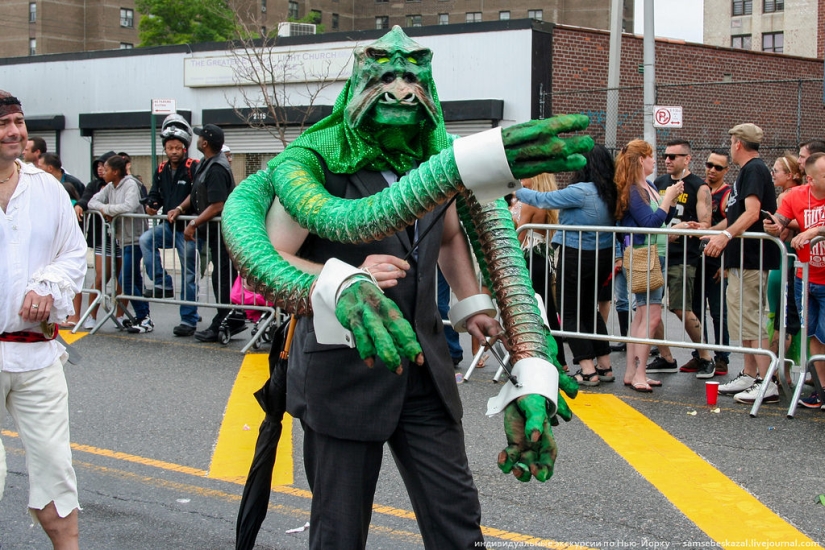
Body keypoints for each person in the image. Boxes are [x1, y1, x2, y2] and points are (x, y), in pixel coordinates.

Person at [0, 89, 87, 550]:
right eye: (3, 125)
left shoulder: (46, 188)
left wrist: (47, 286)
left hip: (37, 355)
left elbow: (75, 254)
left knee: (56, 471)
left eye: (17, 121)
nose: (14, 132)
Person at [515, 144, 618, 386]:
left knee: (569, 311)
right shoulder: (610, 190)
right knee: (588, 310)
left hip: (577, 253)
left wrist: (513, 189)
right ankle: (605, 366)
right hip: (602, 254)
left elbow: (543, 199)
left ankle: (587, 369)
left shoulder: (580, 191)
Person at [702, 123, 781, 404]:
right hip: (742, 257)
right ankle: (749, 374)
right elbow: (737, 216)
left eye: (732, 139)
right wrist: (710, 232)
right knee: (742, 320)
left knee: (750, 318)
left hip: (752, 257)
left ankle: (765, 380)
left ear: (737, 143)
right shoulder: (748, 171)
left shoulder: (754, 169)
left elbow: (752, 213)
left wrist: (724, 236)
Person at [645, 140, 715, 379]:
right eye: (665, 156)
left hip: (683, 256)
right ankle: (665, 357)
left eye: (674, 156)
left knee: (680, 307)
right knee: (650, 307)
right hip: (658, 254)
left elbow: (706, 224)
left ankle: (705, 356)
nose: (667, 160)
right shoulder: (658, 184)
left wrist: (681, 231)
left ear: (687, 159)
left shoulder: (699, 186)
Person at [617, 139, 683, 392]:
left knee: (643, 315)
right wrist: (668, 199)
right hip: (645, 255)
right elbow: (650, 223)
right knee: (651, 316)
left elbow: (661, 221)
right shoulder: (634, 189)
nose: (655, 160)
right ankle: (639, 373)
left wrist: (675, 215)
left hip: (656, 253)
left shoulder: (649, 186)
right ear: (640, 160)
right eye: (651, 156)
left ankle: (633, 371)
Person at [171, 123, 242, 343]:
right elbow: (195, 195)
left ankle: (228, 318)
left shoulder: (218, 168)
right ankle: (228, 317)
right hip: (211, 234)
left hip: (222, 233)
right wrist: (180, 208)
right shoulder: (206, 163)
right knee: (218, 279)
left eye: (200, 136)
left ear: (205, 143)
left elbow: (217, 204)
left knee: (223, 279)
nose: (198, 138)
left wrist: (193, 223)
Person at [767, 152, 825, 409]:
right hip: (805, 278)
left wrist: (814, 230)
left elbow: (815, 228)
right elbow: (779, 220)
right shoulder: (796, 195)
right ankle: (822, 391)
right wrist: (774, 227)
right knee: (812, 335)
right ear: (811, 179)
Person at [139, 114, 201, 336]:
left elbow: (197, 196)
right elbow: (155, 194)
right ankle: (163, 283)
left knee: (189, 274)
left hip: (188, 229)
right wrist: (151, 205)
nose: (173, 151)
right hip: (167, 226)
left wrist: (183, 212)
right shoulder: (160, 169)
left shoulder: (194, 166)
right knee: (146, 239)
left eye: (177, 148)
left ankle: (189, 319)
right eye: (170, 147)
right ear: (165, 148)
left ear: (185, 148)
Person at [87, 155, 152, 332]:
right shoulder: (110, 186)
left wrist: (108, 210)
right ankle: (144, 316)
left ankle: (143, 317)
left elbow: (129, 206)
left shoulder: (130, 184)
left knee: (126, 279)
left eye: (106, 169)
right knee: (135, 279)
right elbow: (93, 201)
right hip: (122, 240)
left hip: (136, 239)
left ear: (115, 172)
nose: (103, 172)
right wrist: (106, 209)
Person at [511, 172, 568, 372]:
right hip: (543, 257)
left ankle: (539, 356)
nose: (521, 178)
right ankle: (559, 358)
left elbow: (519, 233)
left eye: (526, 176)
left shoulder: (529, 203)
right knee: (548, 309)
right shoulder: (547, 203)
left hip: (530, 256)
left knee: (532, 308)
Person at [690, 150, 732, 374]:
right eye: (709, 165)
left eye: (718, 167)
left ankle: (722, 356)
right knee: (695, 309)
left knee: (717, 311)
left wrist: (727, 266)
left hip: (717, 261)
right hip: (696, 258)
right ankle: (700, 354)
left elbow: (732, 224)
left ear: (726, 170)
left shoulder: (728, 194)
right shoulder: (699, 188)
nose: (712, 170)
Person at [765, 153, 803, 375]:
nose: (773, 174)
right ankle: (784, 373)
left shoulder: (786, 198)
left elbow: (782, 230)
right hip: (789, 261)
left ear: (790, 175)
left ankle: (779, 374)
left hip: (785, 263)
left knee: (780, 319)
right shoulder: (800, 195)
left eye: (776, 171)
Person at [74, 150, 117, 329]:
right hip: (101, 237)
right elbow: (87, 200)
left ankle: (121, 316)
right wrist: (79, 205)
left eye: (104, 166)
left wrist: (109, 210)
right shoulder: (94, 185)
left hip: (122, 237)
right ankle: (91, 315)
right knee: (101, 276)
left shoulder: (125, 184)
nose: (100, 169)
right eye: (98, 166)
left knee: (122, 278)